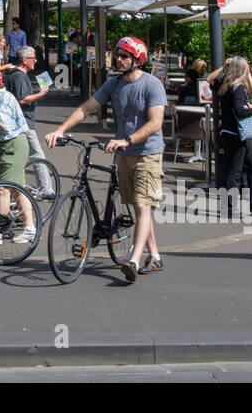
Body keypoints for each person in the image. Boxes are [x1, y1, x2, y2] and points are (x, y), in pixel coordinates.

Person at [46, 36, 166, 282]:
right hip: (124, 154)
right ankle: (155, 256)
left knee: (143, 205)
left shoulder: (152, 85)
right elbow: (86, 108)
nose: (118, 59)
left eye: (124, 56)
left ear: (137, 60)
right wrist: (60, 130)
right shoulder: (114, 84)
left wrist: (127, 140)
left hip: (148, 153)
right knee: (137, 204)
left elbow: (156, 123)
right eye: (117, 55)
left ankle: (132, 260)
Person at [209, 56, 252, 217]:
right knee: (234, 171)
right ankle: (229, 207)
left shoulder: (225, 85)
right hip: (238, 134)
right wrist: (251, 109)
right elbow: (240, 109)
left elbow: (209, 79)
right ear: (243, 70)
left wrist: (226, 67)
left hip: (229, 132)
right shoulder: (238, 89)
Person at [0, 67, 37, 243]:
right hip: (5, 146)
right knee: (18, 189)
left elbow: (3, 123)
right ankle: (29, 228)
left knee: (3, 189)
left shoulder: (5, 97)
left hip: (13, 145)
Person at [6, 46, 54, 196]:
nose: (36, 61)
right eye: (33, 58)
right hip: (23, 121)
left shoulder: (13, 74)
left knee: (21, 154)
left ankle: (17, 186)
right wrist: (41, 94)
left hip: (19, 121)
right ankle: (46, 189)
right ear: (25, 60)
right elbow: (22, 99)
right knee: (37, 154)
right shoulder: (19, 76)